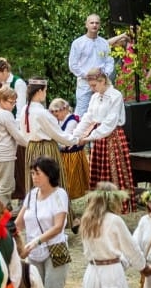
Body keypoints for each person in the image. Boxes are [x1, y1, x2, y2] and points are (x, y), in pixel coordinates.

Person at [74, 183, 145, 288]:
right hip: (112, 273)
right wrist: (143, 266)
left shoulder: (86, 220)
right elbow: (132, 248)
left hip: (92, 273)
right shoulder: (115, 221)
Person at [17, 157, 70, 288]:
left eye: (38, 173)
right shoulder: (31, 195)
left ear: (49, 174)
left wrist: (35, 241)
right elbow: (19, 223)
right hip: (34, 252)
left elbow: (58, 227)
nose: (34, 177)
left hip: (55, 250)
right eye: (32, 173)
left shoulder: (59, 195)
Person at [72, 67, 136, 212]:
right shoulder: (95, 97)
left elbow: (109, 123)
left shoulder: (115, 96)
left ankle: (117, 206)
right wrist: (75, 135)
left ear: (102, 81)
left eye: (94, 85)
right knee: (99, 172)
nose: (92, 89)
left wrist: (89, 138)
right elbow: (88, 117)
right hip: (98, 137)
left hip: (112, 137)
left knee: (113, 173)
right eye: (90, 86)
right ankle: (100, 206)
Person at [20, 81, 77, 192]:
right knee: (49, 176)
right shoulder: (42, 113)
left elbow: (24, 132)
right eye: (45, 90)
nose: (46, 93)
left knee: (36, 178)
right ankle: (53, 206)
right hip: (46, 148)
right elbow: (57, 134)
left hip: (31, 148)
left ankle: (36, 205)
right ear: (39, 91)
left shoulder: (25, 109)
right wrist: (75, 140)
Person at [68, 15, 116, 117]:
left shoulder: (104, 43)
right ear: (86, 25)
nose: (94, 25)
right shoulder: (78, 43)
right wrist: (88, 75)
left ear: (100, 25)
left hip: (102, 83)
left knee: (105, 112)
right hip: (85, 83)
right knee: (82, 113)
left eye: (97, 23)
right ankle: (79, 133)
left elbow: (109, 61)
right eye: (92, 23)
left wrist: (104, 74)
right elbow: (73, 65)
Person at [0, 86, 29, 203]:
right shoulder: (5, 115)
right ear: (1, 100)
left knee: (4, 184)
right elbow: (18, 136)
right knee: (6, 187)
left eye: (14, 103)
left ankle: (5, 210)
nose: (13, 105)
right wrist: (30, 144)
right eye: (11, 102)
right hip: (4, 155)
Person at [50, 97, 89, 200]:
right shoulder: (58, 120)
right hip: (63, 154)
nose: (54, 114)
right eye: (52, 112)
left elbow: (65, 139)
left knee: (70, 180)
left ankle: (68, 198)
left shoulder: (72, 121)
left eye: (56, 111)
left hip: (72, 155)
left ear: (65, 109)